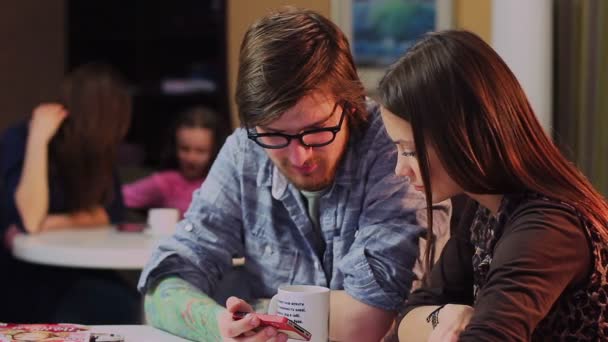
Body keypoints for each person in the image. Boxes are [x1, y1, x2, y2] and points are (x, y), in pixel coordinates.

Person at [137, 7, 451, 342]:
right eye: (275, 134)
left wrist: (257, 313)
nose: (300, 155)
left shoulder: (394, 147)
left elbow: (368, 320)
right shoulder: (246, 149)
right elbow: (163, 287)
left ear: (350, 103)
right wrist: (219, 325)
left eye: (316, 130)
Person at [378, 30, 608, 341]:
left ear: (462, 136)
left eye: (411, 151)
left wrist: (436, 322)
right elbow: (406, 320)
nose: (400, 169)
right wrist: (443, 316)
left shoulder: (547, 228)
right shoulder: (483, 209)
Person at [0, 62, 139, 323]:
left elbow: (110, 213)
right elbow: (29, 219)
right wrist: (38, 139)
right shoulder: (21, 139)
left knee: (131, 304)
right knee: (120, 308)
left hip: (73, 271)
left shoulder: (96, 152)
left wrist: (51, 223)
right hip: (20, 276)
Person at [122, 106, 222, 216]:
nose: (191, 158)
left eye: (200, 151)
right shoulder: (166, 182)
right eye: (184, 149)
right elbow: (118, 198)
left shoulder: (227, 185)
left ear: (215, 151)